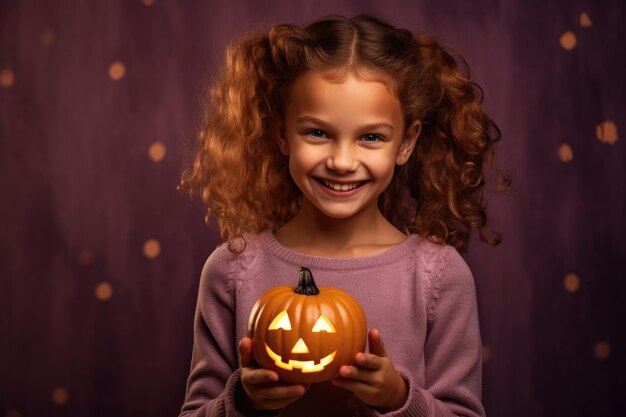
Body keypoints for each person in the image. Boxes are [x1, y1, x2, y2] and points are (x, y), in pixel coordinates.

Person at [177, 14, 509, 417]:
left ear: (406, 143)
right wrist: (244, 403)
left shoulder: (438, 276)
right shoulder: (232, 269)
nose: (342, 161)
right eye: (317, 133)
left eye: (371, 137)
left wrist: (399, 398)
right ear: (283, 133)